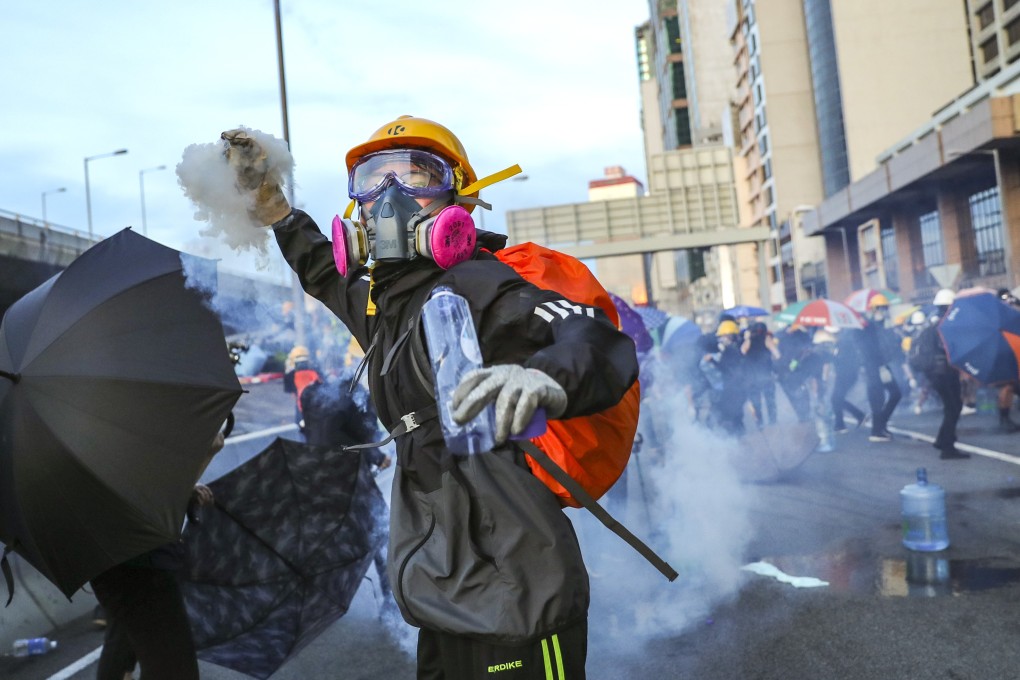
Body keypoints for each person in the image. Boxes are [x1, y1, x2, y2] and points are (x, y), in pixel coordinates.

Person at [220, 116, 639, 679]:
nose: (390, 197)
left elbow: (590, 334)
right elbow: (323, 271)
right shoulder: (388, 308)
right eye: (372, 180)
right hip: (442, 596)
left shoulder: (480, 285)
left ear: (458, 200)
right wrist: (275, 209)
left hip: (519, 597)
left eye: (416, 176)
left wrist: (545, 377)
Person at [90, 433, 225, 680]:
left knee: (123, 644)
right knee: (173, 669)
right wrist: (207, 454)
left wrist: (187, 490)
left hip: (115, 564)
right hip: (140, 565)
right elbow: (149, 503)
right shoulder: (113, 433)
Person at [914, 289, 968, 459]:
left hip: (934, 373)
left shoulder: (933, 323)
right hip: (945, 372)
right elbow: (946, 349)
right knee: (954, 407)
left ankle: (943, 440)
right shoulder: (946, 324)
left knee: (951, 407)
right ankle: (947, 447)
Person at [859, 294, 902, 442]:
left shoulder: (883, 325)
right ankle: (876, 431)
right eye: (880, 308)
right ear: (873, 309)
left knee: (895, 394)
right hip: (873, 367)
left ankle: (880, 424)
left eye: (885, 308)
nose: (883, 311)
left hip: (882, 366)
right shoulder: (867, 326)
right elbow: (868, 349)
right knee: (877, 398)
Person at [742, 321, 778, 429]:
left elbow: (742, 352)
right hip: (766, 374)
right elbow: (777, 354)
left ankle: (760, 423)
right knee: (770, 399)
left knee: (756, 401)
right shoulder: (767, 340)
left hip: (752, 376)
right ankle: (773, 421)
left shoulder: (749, 341)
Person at [831, 326, 866, 432]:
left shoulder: (844, 342)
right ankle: (856, 416)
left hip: (846, 374)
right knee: (836, 398)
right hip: (845, 374)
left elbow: (844, 360)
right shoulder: (841, 341)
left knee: (836, 398)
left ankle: (841, 424)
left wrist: (833, 357)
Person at [283, 344, 321, 435]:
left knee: (302, 430)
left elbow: (292, 393)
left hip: (302, 407)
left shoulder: (291, 375)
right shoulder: (315, 372)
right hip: (315, 406)